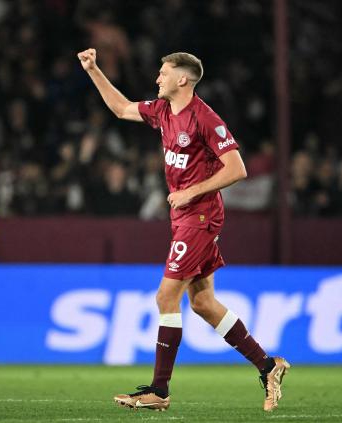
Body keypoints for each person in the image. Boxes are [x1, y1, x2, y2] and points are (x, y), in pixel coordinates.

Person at [77, 48, 290, 412]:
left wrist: (191, 191)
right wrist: (93, 70)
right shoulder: (162, 111)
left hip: (201, 217)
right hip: (185, 218)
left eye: (163, 72)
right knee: (204, 303)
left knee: (165, 297)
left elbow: (237, 168)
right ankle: (269, 366)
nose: (157, 78)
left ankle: (159, 392)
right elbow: (121, 108)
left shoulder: (206, 119)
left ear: (182, 79)